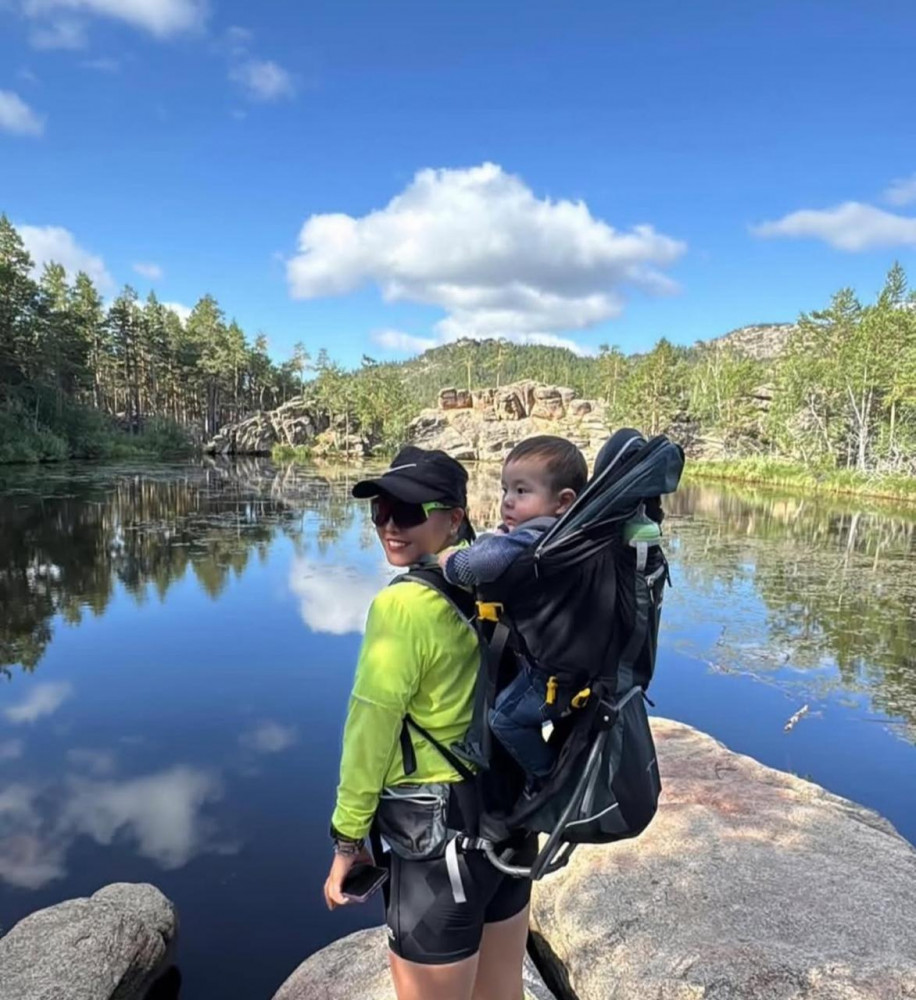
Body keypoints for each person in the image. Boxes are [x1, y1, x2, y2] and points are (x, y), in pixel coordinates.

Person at [323, 445, 536, 1000]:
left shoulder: (404, 608)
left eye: (409, 512)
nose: (390, 526)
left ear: (455, 517)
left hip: (437, 849)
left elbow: (369, 731)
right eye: (380, 511)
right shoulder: (499, 581)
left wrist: (348, 841)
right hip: (508, 824)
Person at [438, 435, 587, 785]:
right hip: (572, 662)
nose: (507, 501)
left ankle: (548, 779)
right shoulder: (569, 532)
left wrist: (448, 560)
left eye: (522, 491)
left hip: (550, 675)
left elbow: (480, 564)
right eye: (506, 489)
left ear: (563, 501)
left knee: (504, 718)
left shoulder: (535, 536)